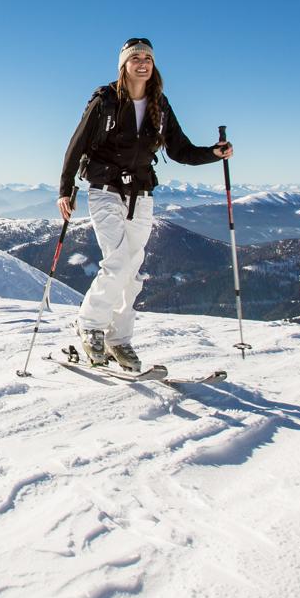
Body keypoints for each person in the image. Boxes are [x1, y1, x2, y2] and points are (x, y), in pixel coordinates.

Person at [56, 37, 233, 371]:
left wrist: (213, 153)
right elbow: (76, 144)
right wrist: (65, 190)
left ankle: (119, 339)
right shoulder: (105, 100)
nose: (143, 63)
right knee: (119, 261)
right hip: (105, 190)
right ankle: (90, 325)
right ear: (123, 65)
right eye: (135, 57)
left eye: (148, 58)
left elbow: (180, 150)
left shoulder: (159, 105)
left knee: (133, 271)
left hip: (142, 194)